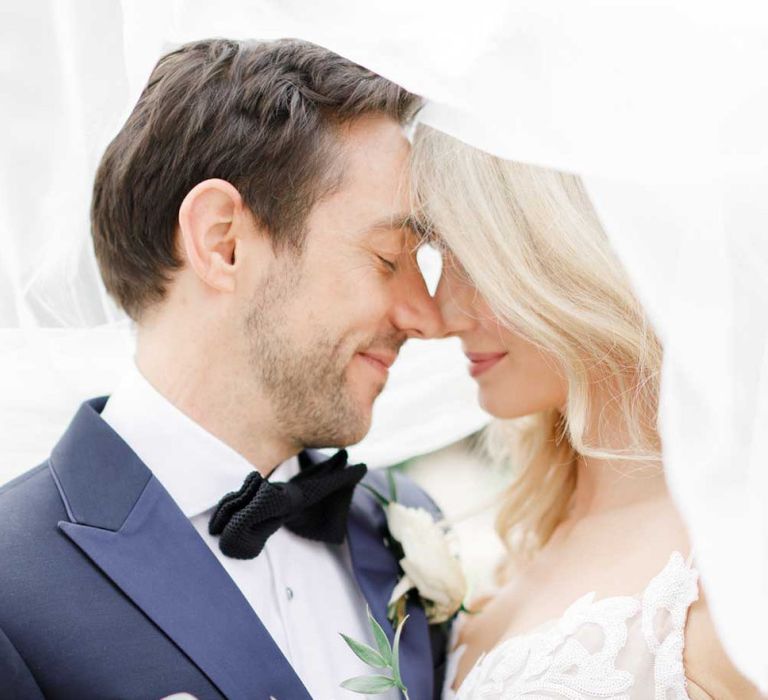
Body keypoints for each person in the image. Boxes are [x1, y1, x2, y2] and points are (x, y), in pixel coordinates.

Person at [0, 39, 448, 700]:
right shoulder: (12, 583)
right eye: (388, 257)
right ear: (223, 242)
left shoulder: (403, 521)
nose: (427, 317)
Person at [410, 125, 763, 699]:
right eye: (438, 256)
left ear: (564, 253)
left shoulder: (733, 559)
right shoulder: (528, 543)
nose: (442, 313)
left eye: (470, 259)